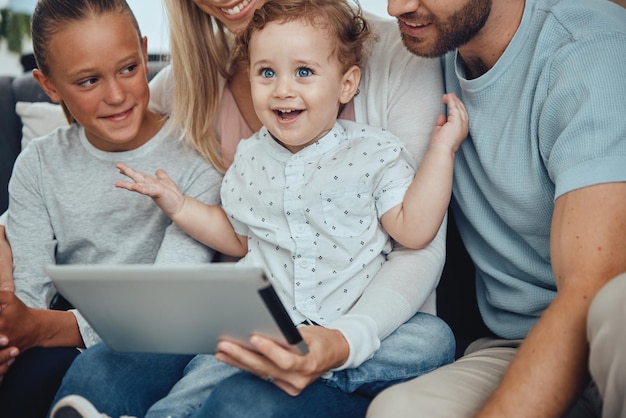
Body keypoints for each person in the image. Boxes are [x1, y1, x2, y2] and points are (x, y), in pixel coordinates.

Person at [48, 2, 463, 417]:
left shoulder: (375, 150)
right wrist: (178, 205)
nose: (283, 89)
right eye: (266, 73)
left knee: (432, 339)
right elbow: (237, 234)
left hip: (356, 321)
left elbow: (415, 232)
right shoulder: (250, 156)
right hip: (264, 324)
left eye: (303, 72)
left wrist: (441, 152)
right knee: (203, 372)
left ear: (347, 84)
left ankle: (319, 366)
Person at [366, 0, 626, 417]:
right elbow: (309, 36)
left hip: (609, 337)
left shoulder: (592, 48)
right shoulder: (429, 46)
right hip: (515, 345)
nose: (398, 6)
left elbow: (592, 287)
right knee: (399, 410)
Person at [0, 0, 222, 417]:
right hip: (64, 336)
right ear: (48, 86)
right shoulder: (38, 165)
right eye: (88, 81)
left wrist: (38, 328)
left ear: (143, 51)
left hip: (156, 342)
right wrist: (10, 339)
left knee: (88, 377)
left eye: (128, 69)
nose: (117, 95)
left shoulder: (197, 157)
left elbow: (162, 299)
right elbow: (28, 294)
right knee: (22, 377)